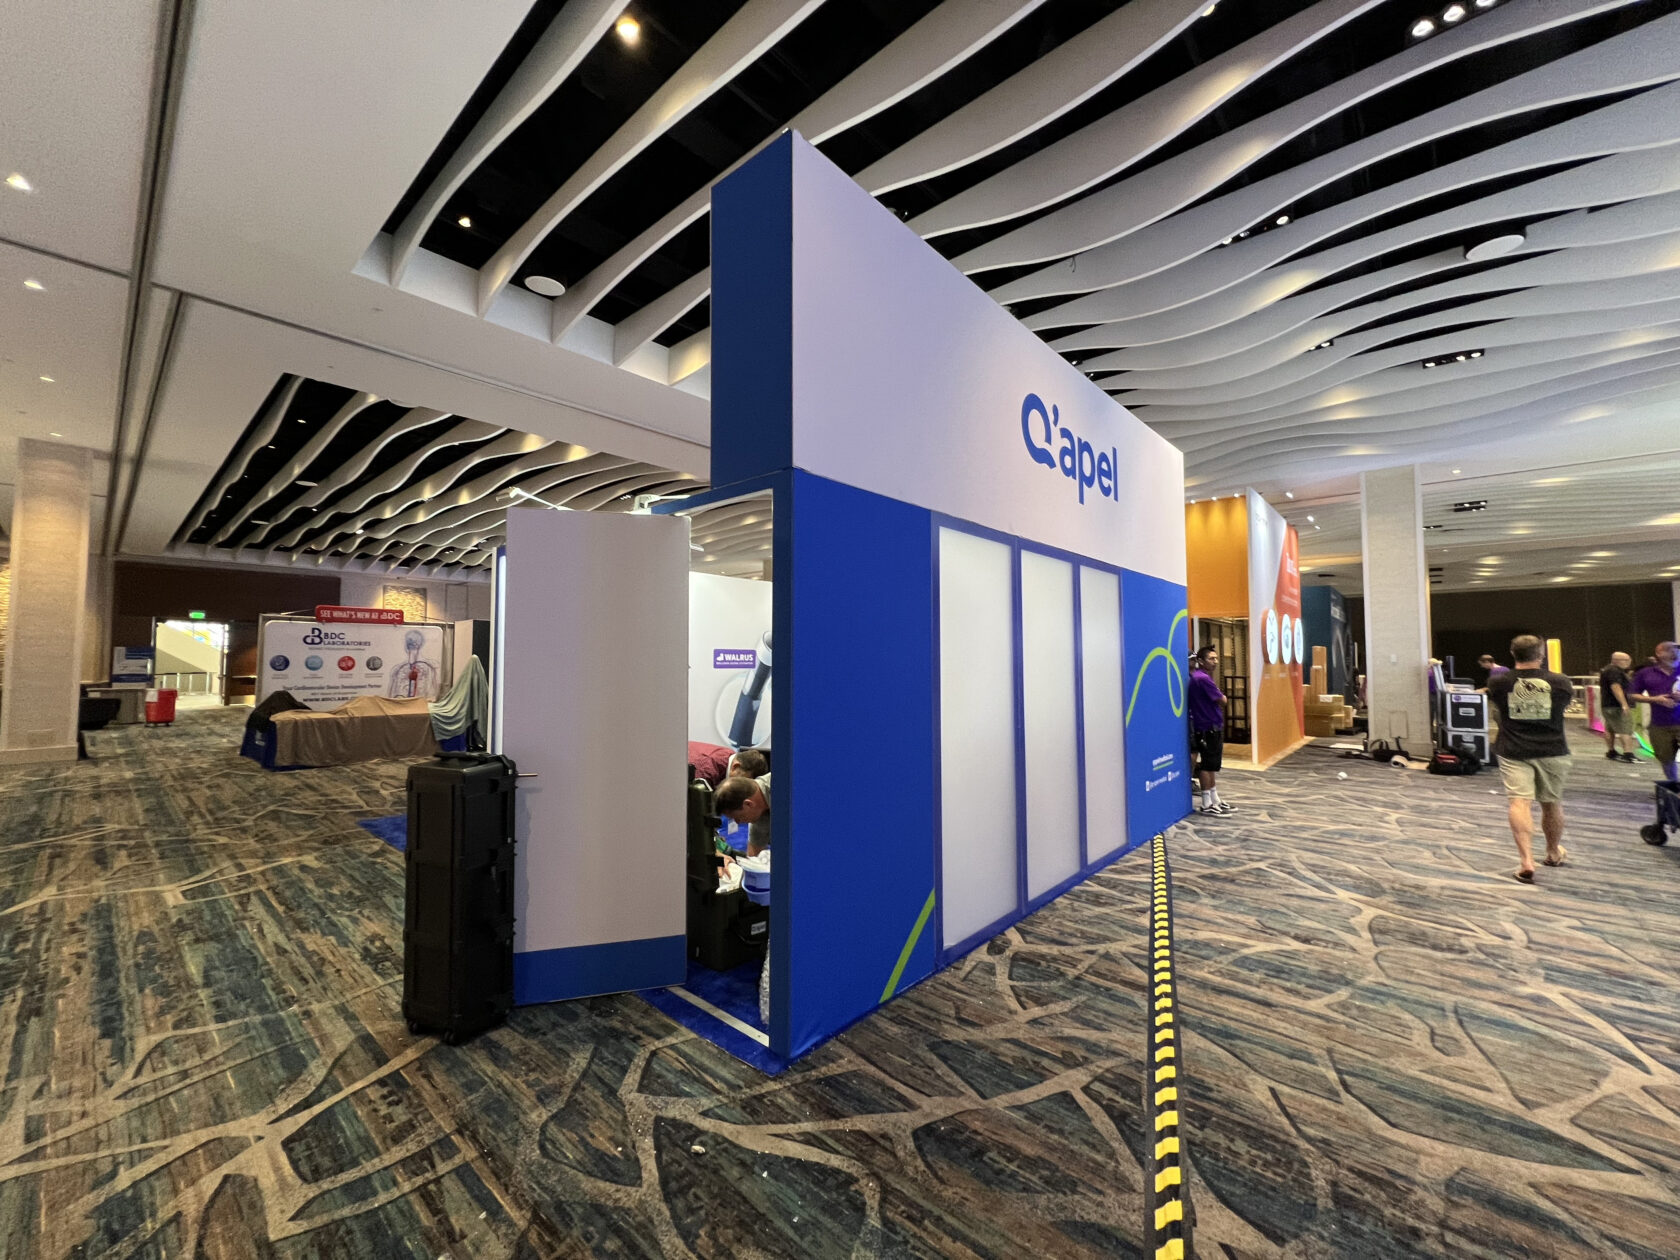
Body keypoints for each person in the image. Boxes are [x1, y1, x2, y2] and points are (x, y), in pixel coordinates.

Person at [1486, 634, 1573, 883]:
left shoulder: (1498, 683)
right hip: (1552, 749)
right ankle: (1553, 852)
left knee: (1519, 803)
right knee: (1551, 803)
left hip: (1513, 750)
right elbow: (1562, 708)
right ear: (1541, 655)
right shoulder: (1560, 682)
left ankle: (1526, 861)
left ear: (1513, 654)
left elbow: (1499, 710)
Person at [1188, 646, 1235, 815]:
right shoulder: (1202, 679)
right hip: (1207, 727)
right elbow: (1223, 700)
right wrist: (1222, 697)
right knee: (1207, 766)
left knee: (1212, 765)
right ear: (1200, 661)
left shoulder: (1201, 677)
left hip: (1210, 726)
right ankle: (1206, 803)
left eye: (1216, 658)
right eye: (1211, 659)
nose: (1215, 662)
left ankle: (1214, 799)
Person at [1630, 641, 1680, 781]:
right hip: (1660, 724)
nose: (1675, 654)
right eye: (1670, 650)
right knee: (1665, 758)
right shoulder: (1645, 673)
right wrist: (1655, 699)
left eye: (1677, 651)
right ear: (1659, 653)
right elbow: (1633, 694)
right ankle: (1674, 784)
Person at [714, 772, 772, 854]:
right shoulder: (758, 810)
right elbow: (754, 852)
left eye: (738, 818)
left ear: (748, 804)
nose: (737, 822)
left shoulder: (786, 786)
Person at [1598, 652, 1637, 762]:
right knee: (1625, 728)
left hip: (1607, 705)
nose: (1629, 662)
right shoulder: (1615, 671)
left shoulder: (1607, 670)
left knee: (1609, 728)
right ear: (1617, 660)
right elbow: (1616, 687)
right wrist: (1624, 704)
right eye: (1626, 660)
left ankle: (1611, 751)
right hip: (1616, 706)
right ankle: (1628, 754)